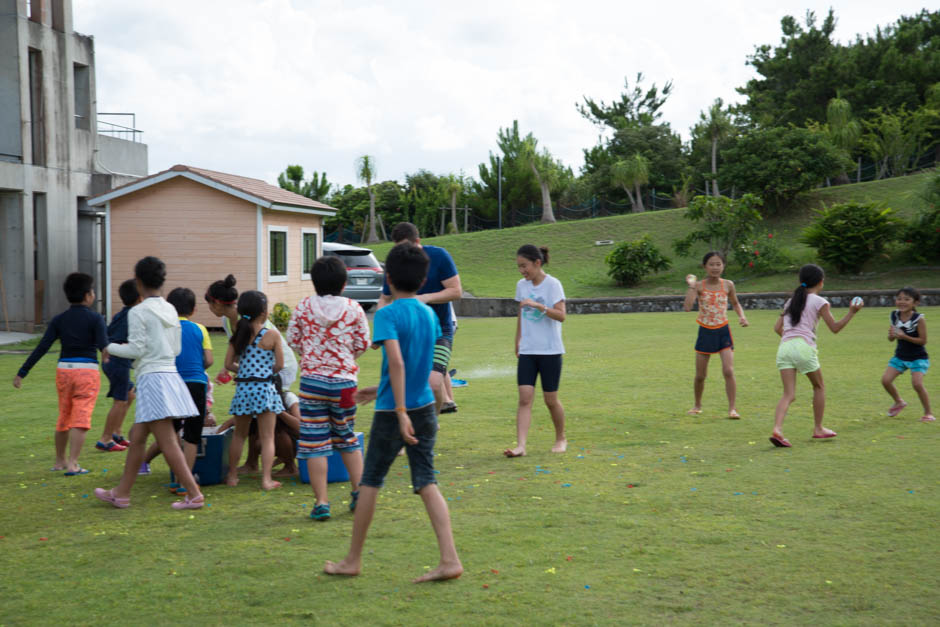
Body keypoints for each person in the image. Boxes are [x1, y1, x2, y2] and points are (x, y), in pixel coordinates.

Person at [324, 243, 462, 582]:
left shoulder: (386, 314)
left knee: (370, 481)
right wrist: (378, 390)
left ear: (387, 278)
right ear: (424, 278)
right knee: (427, 482)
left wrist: (398, 410)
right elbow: (415, 367)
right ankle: (450, 560)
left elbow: (399, 361)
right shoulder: (429, 314)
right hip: (426, 408)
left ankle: (352, 560)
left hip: (395, 413)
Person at [93, 256, 204, 509]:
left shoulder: (138, 311)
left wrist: (109, 347)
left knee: (166, 440)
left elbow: (137, 348)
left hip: (152, 379)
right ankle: (121, 493)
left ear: (138, 281)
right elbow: (174, 349)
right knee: (139, 438)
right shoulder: (170, 309)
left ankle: (194, 494)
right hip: (168, 375)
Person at [287, 255, 370, 521]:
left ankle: (322, 502)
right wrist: (345, 359)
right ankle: (358, 493)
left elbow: (294, 340)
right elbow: (362, 343)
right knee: (346, 437)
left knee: (314, 443)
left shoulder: (302, 307)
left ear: (314, 283)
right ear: (344, 283)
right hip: (345, 382)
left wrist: (311, 355)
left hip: (312, 381)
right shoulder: (354, 308)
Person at [13, 272, 108, 475]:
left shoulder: (59, 320)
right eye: (92, 291)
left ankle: (59, 461)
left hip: (64, 371)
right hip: (87, 372)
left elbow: (42, 347)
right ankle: (73, 464)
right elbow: (104, 348)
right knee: (81, 418)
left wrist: (23, 372)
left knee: (64, 416)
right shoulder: (96, 318)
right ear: (87, 295)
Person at [770, 264, 863, 448]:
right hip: (803, 347)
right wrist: (852, 312)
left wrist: (792, 341)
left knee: (788, 394)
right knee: (818, 386)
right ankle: (818, 428)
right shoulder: (819, 301)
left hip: (784, 347)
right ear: (821, 282)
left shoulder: (791, 301)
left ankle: (778, 429)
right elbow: (835, 328)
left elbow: (777, 328)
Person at [377, 222, 461, 414]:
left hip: (440, 329)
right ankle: (423, 422)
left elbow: (456, 291)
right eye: (399, 249)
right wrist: (382, 326)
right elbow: (385, 298)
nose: (404, 253)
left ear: (418, 241)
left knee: (433, 383)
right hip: (408, 331)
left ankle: (432, 420)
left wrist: (424, 298)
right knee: (409, 380)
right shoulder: (395, 263)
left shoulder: (439, 256)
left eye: (407, 247)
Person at [141, 287, 213, 486]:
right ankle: (184, 483)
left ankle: (155, 467)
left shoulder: (164, 329)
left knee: (169, 434)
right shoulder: (200, 329)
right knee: (192, 435)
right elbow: (208, 360)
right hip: (196, 384)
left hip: (170, 383)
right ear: (194, 310)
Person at [504, 245, 567, 458]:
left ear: (537, 263)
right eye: (519, 267)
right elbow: (521, 315)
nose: (522, 271)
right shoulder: (521, 285)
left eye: (524, 266)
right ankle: (521, 446)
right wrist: (517, 341)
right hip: (528, 350)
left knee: (550, 400)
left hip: (550, 351)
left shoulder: (553, 285)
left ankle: (561, 438)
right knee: (524, 397)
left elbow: (561, 315)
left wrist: (539, 306)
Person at [224, 290, 285, 491]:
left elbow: (228, 364)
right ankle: (266, 479)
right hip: (265, 389)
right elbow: (280, 365)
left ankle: (232, 475)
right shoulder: (272, 335)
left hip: (244, 389)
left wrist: (244, 371)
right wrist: (266, 371)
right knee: (267, 437)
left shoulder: (238, 334)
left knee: (239, 435)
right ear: (263, 312)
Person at [683, 252, 749, 418]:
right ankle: (697, 405)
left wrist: (742, 316)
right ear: (705, 266)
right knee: (700, 375)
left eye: (718, 264)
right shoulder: (699, 286)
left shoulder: (728, 285)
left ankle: (732, 409)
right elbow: (687, 307)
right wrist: (691, 286)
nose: (715, 267)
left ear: (723, 266)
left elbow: (735, 303)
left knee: (728, 371)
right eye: (711, 264)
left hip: (723, 331)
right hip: (705, 332)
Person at [204, 274, 297, 390]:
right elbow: (240, 348)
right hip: (261, 370)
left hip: (280, 367)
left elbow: (257, 348)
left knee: (275, 403)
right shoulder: (226, 321)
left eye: (209, 304)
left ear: (217, 303)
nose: (209, 308)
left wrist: (245, 374)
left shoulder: (250, 318)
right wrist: (232, 370)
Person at [97, 278, 139, 453]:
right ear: (140, 297)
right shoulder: (132, 315)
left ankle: (116, 433)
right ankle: (105, 439)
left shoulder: (121, 314)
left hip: (112, 361)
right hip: (117, 362)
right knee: (120, 400)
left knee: (129, 395)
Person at [881, 287, 934, 422]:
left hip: (918, 358)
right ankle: (899, 402)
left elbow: (923, 341)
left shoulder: (919, 319)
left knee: (917, 384)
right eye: (899, 299)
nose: (902, 302)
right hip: (900, 356)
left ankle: (928, 413)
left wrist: (904, 336)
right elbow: (892, 338)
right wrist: (892, 336)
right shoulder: (894, 315)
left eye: (907, 299)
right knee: (886, 381)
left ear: (915, 303)